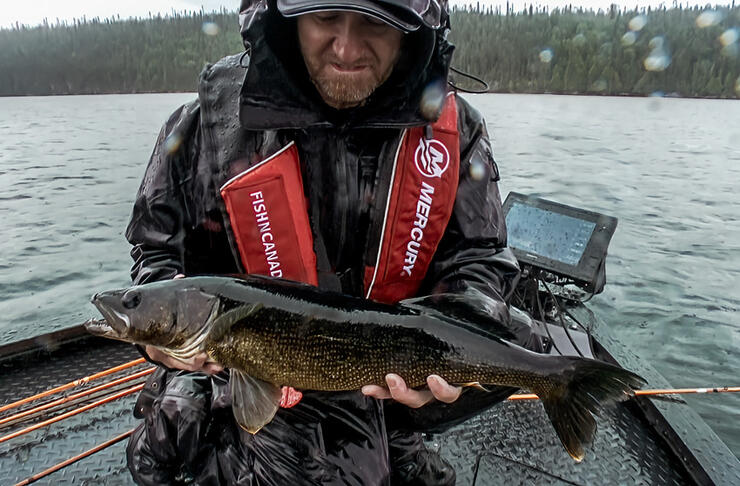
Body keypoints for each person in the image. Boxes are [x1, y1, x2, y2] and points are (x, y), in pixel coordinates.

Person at [124, 0, 539, 483]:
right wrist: (160, 340)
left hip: (387, 374)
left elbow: (478, 259)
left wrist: (448, 363)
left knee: (518, 334)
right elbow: (156, 252)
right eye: (324, 18)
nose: (346, 47)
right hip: (241, 371)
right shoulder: (204, 125)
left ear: (412, 29)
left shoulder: (456, 133)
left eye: (372, 23)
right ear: (287, 18)